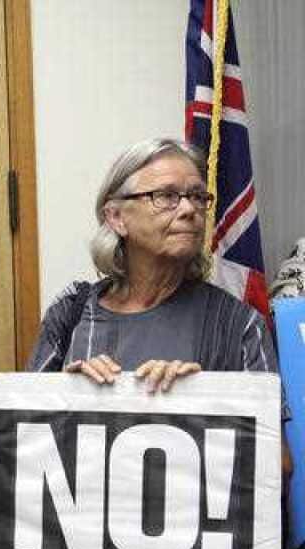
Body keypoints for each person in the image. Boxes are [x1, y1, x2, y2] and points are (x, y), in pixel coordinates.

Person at [27, 138, 278, 387]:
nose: (189, 209)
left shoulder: (239, 326)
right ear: (116, 217)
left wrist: (198, 398)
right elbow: (22, 418)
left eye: (198, 196)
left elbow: (267, 425)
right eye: (166, 196)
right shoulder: (71, 313)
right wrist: (69, 394)